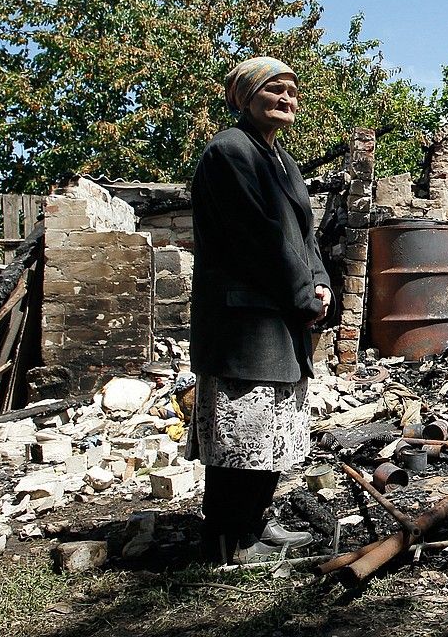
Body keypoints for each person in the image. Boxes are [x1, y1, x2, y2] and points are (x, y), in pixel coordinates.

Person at [188, 56, 333, 564]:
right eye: (274, 89)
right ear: (243, 97)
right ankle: (233, 539)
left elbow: (304, 236)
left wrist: (320, 283)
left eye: (292, 90)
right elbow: (261, 238)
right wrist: (302, 295)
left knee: (269, 431)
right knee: (242, 431)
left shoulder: (282, 160)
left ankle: (256, 522)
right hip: (243, 320)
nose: (286, 98)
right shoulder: (230, 153)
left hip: (278, 315)